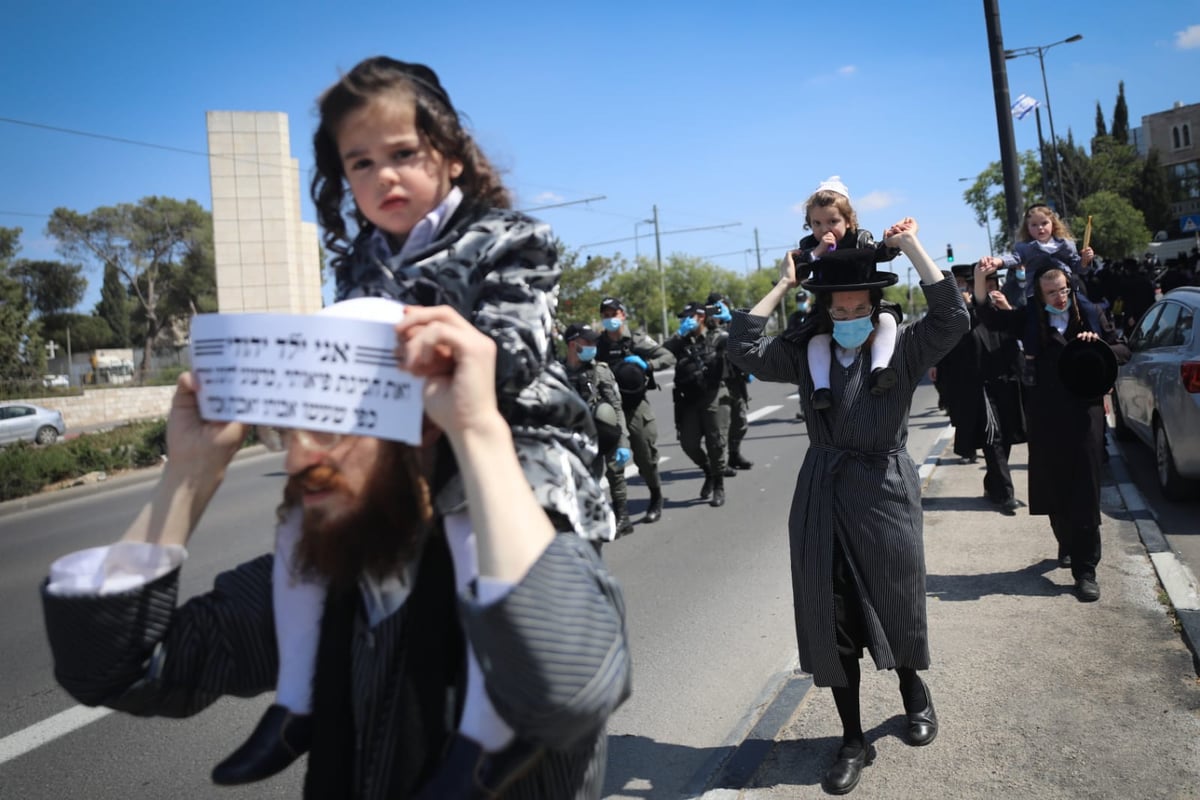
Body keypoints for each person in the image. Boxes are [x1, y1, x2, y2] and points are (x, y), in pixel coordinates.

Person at [40, 303, 631, 799]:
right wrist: (189, 476)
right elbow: (115, 670)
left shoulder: (541, 576)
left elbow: (566, 690)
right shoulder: (323, 579)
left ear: (423, 429)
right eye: (288, 431)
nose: (297, 459)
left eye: (329, 428)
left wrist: (476, 430)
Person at [216, 56, 616, 784]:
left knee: (473, 530)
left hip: (512, 432)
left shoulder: (513, 237)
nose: (383, 177)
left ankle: (489, 732)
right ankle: (298, 700)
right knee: (299, 520)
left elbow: (519, 352)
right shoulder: (360, 259)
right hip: (400, 443)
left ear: (453, 156)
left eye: (404, 154)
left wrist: (456, 350)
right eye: (360, 163)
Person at [727, 218, 969, 795]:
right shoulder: (803, 353)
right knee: (830, 617)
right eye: (837, 312)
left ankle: (915, 692)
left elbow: (954, 318)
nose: (847, 320)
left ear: (875, 306)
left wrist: (912, 247)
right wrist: (783, 285)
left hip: (885, 485)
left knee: (896, 596)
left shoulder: (904, 347)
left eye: (858, 309)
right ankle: (852, 738)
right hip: (823, 494)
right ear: (825, 310)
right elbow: (741, 348)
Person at [974, 261, 1129, 602]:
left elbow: (1122, 349)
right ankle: (1067, 543)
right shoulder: (1029, 317)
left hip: (1085, 412)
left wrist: (1097, 343)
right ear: (1038, 295)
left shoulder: (1087, 312)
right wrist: (978, 281)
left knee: (1086, 488)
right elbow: (991, 318)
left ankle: (1086, 570)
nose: (1059, 297)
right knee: (1054, 485)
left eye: (1063, 290)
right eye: (1050, 292)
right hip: (1044, 416)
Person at [789, 176, 904, 408]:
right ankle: (822, 389)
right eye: (817, 223)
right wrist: (819, 251)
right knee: (817, 339)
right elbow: (799, 270)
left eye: (832, 221)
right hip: (828, 309)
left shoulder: (861, 238)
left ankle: (879, 369)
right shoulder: (809, 246)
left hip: (866, 303)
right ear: (809, 224)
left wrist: (891, 244)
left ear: (849, 220)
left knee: (887, 321)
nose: (825, 229)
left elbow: (880, 253)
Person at [931, 263, 1026, 514]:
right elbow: (948, 339)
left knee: (1005, 436)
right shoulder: (966, 311)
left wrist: (1008, 309)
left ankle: (992, 484)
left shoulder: (1007, 310)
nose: (991, 290)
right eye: (987, 286)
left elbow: (1025, 336)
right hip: (979, 384)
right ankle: (1006, 494)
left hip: (1007, 380)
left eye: (995, 285)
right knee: (992, 436)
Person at [597, 296, 677, 523]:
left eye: (614, 313)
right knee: (613, 465)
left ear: (623, 315)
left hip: (636, 406)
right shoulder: (598, 344)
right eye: (605, 315)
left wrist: (648, 365)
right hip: (609, 411)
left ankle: (656, 496)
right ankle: (621, 512)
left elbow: (668, 357)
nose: (610, 318)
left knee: (646, 458)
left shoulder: (637, 340)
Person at [562, 322, 635, 537]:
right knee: (586, 478)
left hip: (604, 428)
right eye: (588, 341)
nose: (593, 345)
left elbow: (616, 406)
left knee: (615, 472)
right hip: (577, 435)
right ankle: (593, 518)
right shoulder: (557, 371)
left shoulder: (600, 370)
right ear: (573, 344)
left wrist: (623, 441)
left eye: (594, 341)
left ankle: (623, 516)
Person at [665, 302, 730, 507]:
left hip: (712, 395)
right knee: (689, 443)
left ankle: (718, 484)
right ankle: (708, 471)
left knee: (715, 442)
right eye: (683, 318)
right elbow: (663, 355)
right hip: (688, 399)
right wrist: (678, 335)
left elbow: (735, 346)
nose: (685, 321)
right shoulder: (681, 341)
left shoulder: (717, 337)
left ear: (700, 317)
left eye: (689, 317)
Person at [979, 204, 1095, 305]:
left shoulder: (1066, 245)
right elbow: (1014, 258)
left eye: (1044, 223)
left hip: (1066, 294)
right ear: (1027, 228)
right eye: (1034, 225)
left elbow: (1078, 268)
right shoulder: (1025, 247)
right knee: (1033, 323)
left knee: (1089, 310)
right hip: (1037, 295)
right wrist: (998, 261)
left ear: (1053, 224)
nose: (1040, 228)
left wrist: (1085, 260)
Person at [707, 291, 754, 470]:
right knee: (721, 425)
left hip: (735, 380)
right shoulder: (707, 325)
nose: (721, 308)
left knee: (740, 421)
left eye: (723, 304)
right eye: (717, 305)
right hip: (718, 382)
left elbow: (745, 342)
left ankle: (734, 454)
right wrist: (712, 322)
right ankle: (720, 462)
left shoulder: (732, 323)